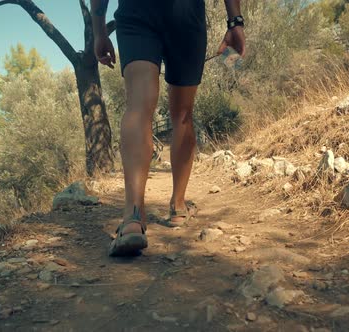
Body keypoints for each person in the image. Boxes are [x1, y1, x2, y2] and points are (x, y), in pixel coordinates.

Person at [91, 0, 246, 256]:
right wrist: (235, 21)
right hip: (185, 13)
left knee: (138, 106)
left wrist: (99, 32)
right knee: (183, 115)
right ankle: (178, 207)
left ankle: (132, 218)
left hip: (136, 11)